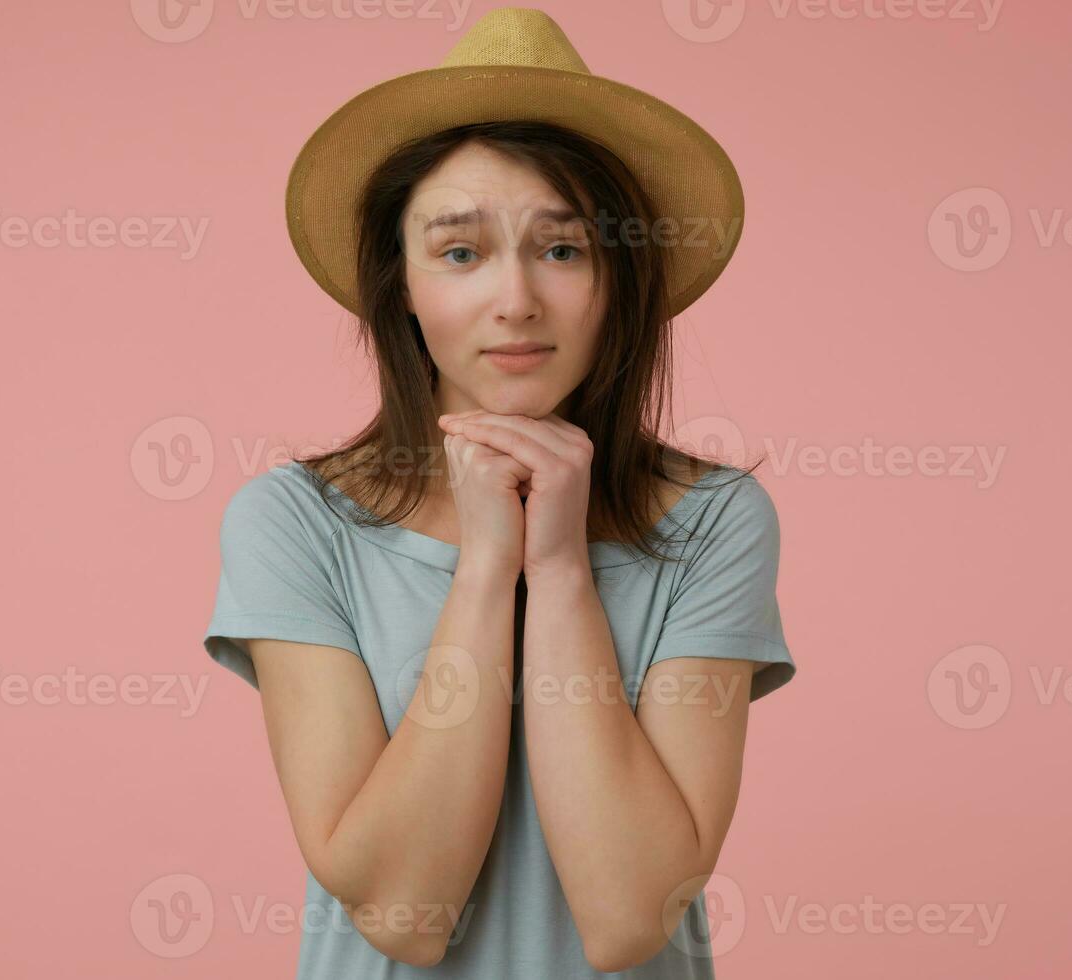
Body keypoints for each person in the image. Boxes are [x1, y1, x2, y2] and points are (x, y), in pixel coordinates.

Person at [203, 8, 796, 977]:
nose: (516, 298)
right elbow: (403, 909)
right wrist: (488, 567)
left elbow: (628, 916)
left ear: (620, 277)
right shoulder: (296, 522)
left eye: (562, 249)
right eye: (461, 251)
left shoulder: (713, 518)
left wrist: (558, 567)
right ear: (400, 281)